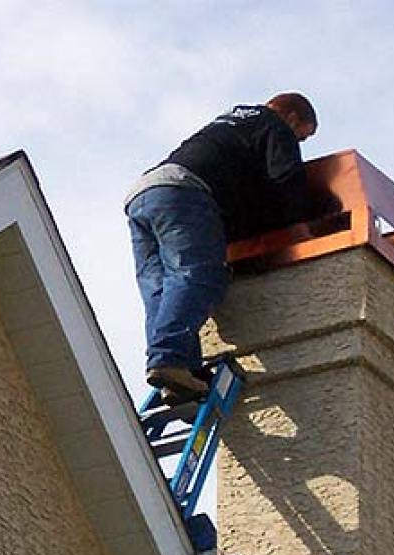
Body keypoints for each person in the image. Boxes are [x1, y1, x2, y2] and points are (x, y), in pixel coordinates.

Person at [125, 92, 318, 400]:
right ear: (293, 118)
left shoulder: (233, 122)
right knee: (200, 275)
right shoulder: (274, 125)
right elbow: (286, 178)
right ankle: (170, 359)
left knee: (160, 290)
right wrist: (300, 230)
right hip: (184, 191)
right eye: (302, 137)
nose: (298, 143)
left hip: (143, 195)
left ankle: (179, 372)